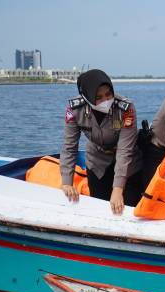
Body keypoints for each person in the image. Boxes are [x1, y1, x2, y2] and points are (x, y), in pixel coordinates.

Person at [61, 69, 143, 214]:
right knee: (99, 208)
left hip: (128, 165)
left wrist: (117, 190)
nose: (105, 100)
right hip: (97, 162)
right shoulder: (75, 110)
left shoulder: (125, 108)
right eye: (98, 97)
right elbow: (69, 147)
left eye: (108, 94)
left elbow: (125, 151)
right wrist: (67, 183)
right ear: (87, 97)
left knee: (128, 208)